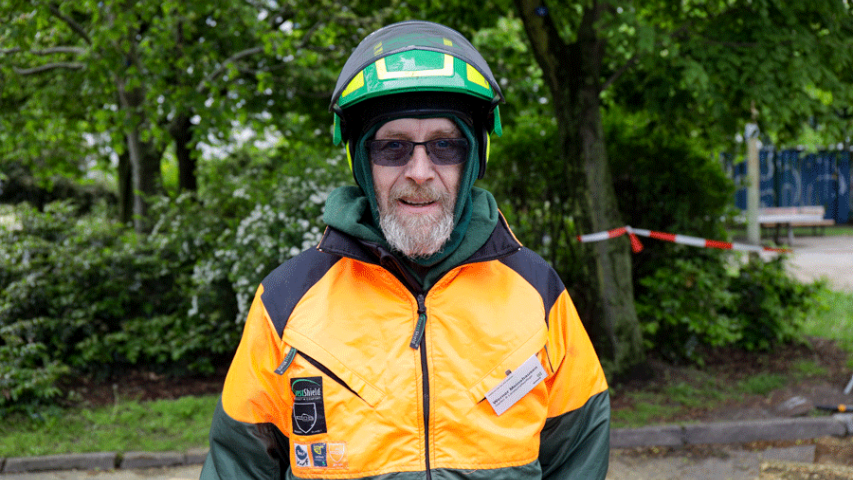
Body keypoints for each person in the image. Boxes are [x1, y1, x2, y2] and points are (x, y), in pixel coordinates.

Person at [200, 20, 610, 480]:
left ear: (474, 158)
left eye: (444, 145)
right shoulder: (284, 302)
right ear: (361, 160)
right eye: (393, 147)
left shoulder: (539, 294)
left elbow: (578, 453)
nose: (419, 171)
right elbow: (238, 465)